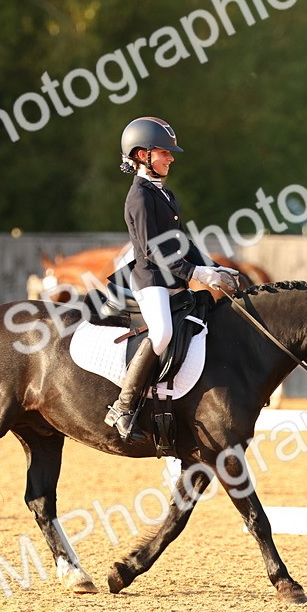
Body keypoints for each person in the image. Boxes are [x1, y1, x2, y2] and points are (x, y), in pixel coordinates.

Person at [104, 117, 239, 442]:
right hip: (150, 279)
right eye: (164, 152)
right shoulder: (139, 196)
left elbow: (182, 243)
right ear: (141, 155)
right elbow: (152, 250)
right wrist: (196, 274)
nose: (171, 158)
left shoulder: (164, 194)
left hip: (173, 279)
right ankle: (123, 406)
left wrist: (213, 266)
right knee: (162, 332)